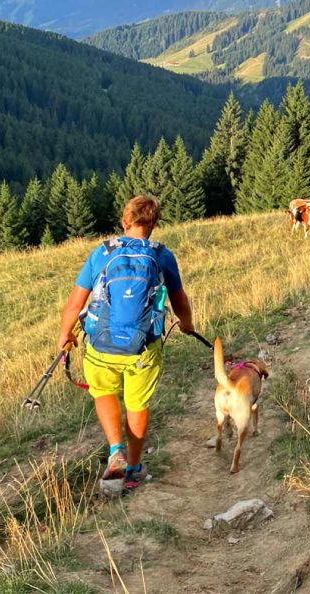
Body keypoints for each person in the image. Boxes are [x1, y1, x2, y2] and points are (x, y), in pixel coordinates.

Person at [57, 195, 194, 494]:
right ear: (154, 224)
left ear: (124, 221)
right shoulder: (162, 255)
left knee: (104, 392)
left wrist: (65, 334)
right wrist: (187, 323)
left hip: (101, 346)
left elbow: (75, 302)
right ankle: (132, 469)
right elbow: (179, 299)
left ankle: (115, 449)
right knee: (137, 404)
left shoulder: (102, 253)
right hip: (142, 348)